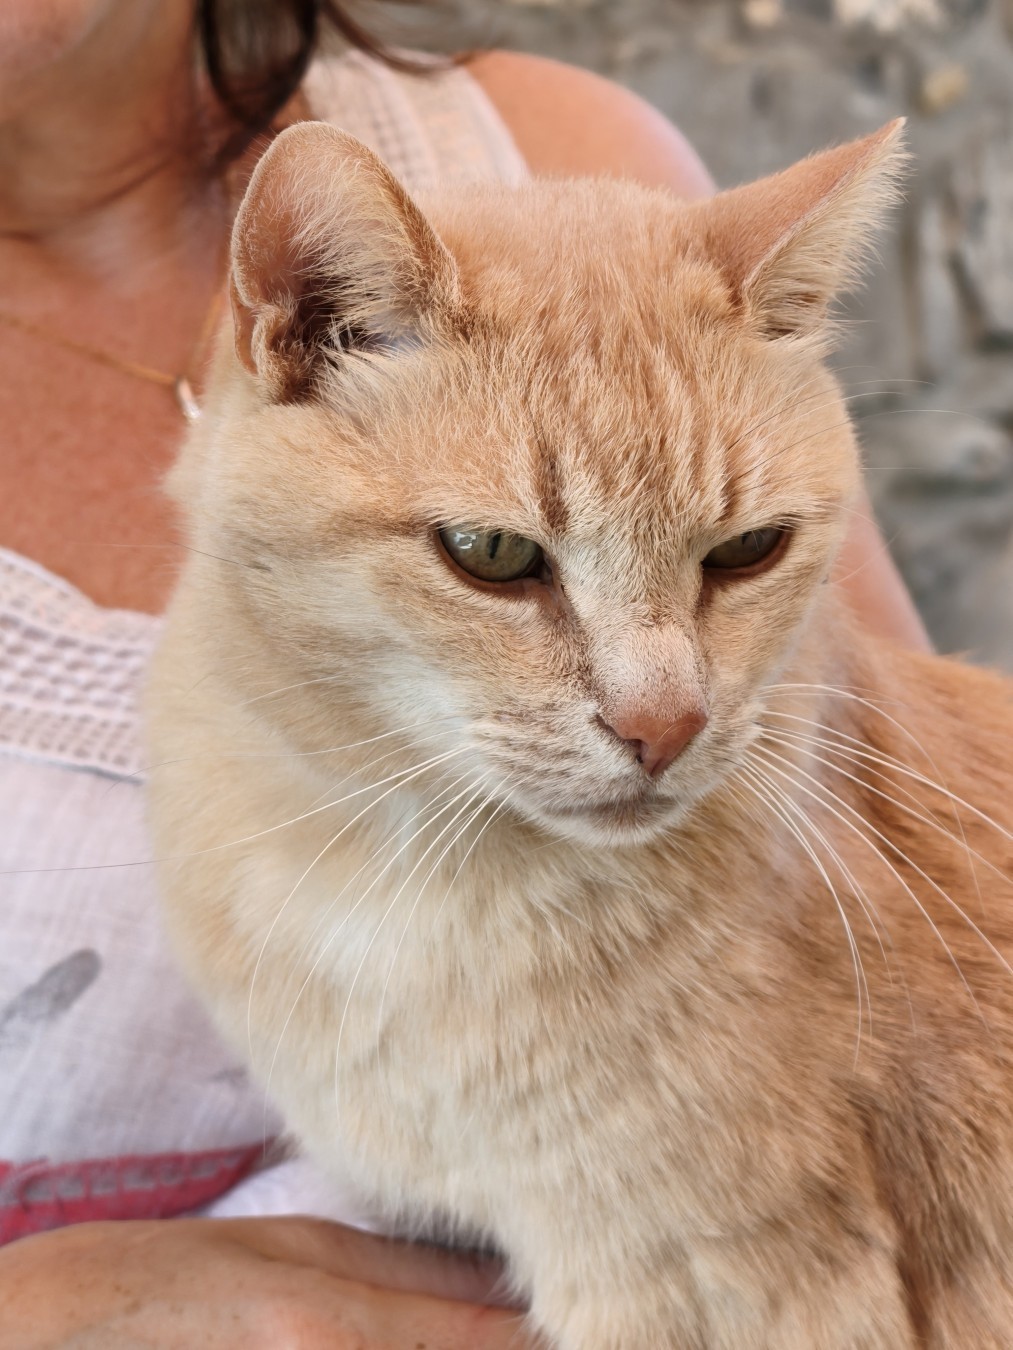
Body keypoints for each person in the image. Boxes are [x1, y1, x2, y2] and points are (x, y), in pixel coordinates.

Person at [0, 2, 929, 1344]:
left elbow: (903, 879)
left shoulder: (565, 155)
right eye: (498, 555)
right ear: (308, 324)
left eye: (738, 553)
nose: (660, 715)